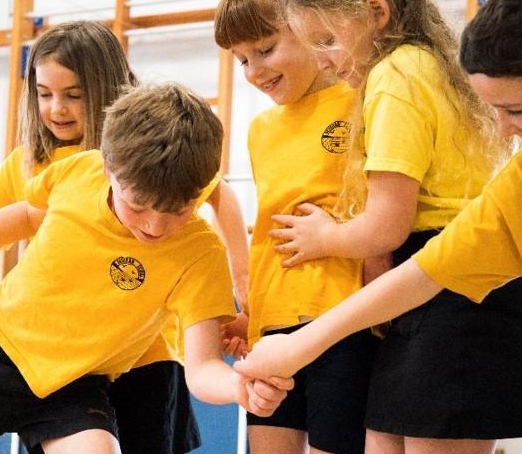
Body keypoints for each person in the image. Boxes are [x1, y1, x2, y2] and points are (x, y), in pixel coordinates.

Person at [234, 0, 522, 453]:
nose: (501, 131)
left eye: (515, 110)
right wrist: (294, 348)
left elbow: (393, 232)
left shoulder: (399, 74)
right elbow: (422, 275)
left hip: (462, 330)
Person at [0, 21, 250, 454]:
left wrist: (241, 291)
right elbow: (13, 223)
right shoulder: (68, 169)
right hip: (8, 344)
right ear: (111, 170)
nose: (154, 225)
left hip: (105, 363)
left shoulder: (164, 166)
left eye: (74, 94)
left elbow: (220, 200)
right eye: (45, 93)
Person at [0, 82, 292, 454]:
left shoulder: (199, 254)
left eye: (177, 211)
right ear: (108, 170)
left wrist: (238, 385)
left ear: (201, 191)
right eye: (136, 206)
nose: (154, 226)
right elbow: (28, 214)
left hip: (76, 380)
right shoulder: (80, 172)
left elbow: (203, 367)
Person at [213, 1, 384, 453]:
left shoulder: (359, 99)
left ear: (310, 30)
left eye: (266, 50)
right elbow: (271, 227)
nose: (254, 71)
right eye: (242, 59)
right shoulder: (260, 129)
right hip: (271, 332)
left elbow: (380, 214)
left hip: (340, 322)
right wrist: (254, 314)